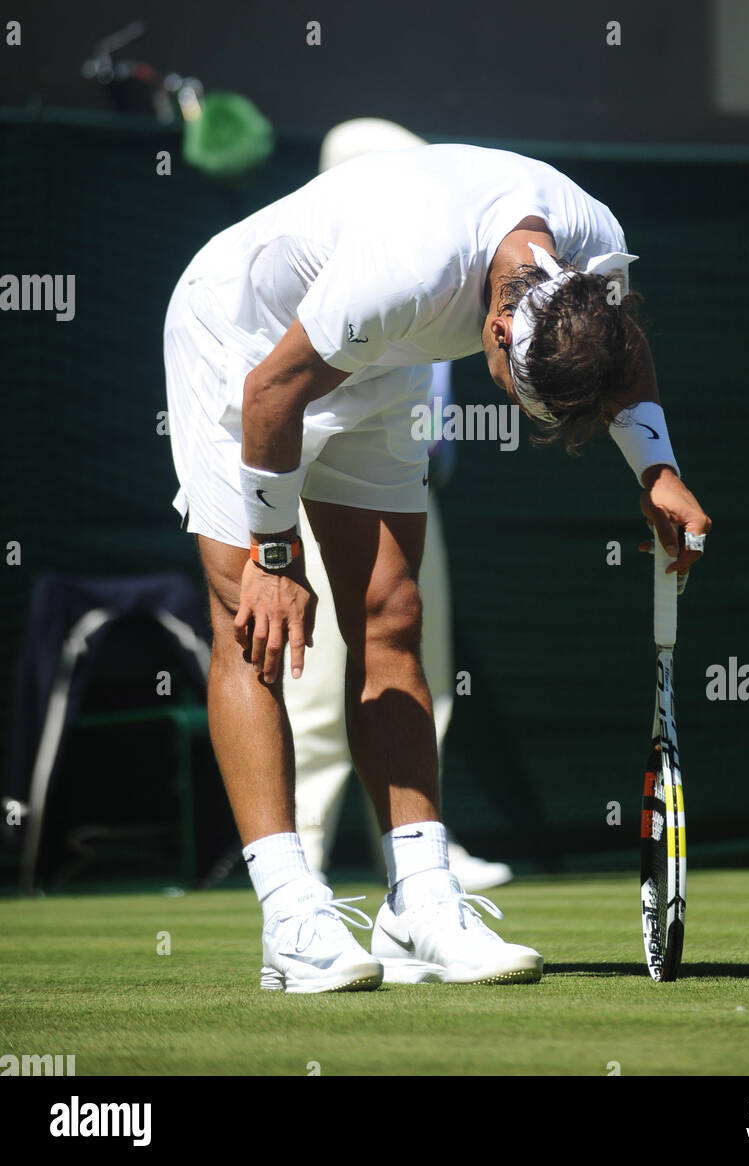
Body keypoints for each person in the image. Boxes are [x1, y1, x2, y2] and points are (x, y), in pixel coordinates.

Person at [163, 143, 711, 993]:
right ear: (497, 329)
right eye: (507, 382)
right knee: (253, 619)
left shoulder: (594, 245)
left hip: (385, 366)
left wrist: (656, 469)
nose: (498, 389)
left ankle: (417, 901)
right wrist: (276, 557)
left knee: (391, 613)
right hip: (245, 347)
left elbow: (623, 351)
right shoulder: (406, 266)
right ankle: (289, 917)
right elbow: (273, 393)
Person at [286, 120, 514, 894]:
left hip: (411, 489)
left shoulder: (433, 267)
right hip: (318, 486)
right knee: (314, 675)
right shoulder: (327, 271)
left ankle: (419, 855)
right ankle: (304, 856)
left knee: (421, 664)